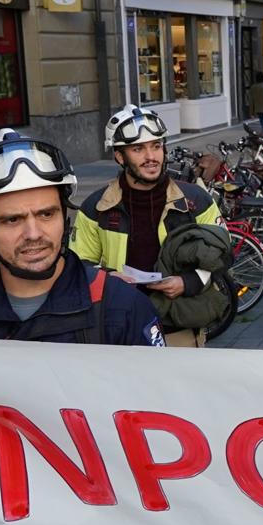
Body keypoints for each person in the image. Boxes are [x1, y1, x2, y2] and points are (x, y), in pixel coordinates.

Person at [0, 130, 164, 345]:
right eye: (12, 220)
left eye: (47, 214)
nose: (34, 234)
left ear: (64, 216)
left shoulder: (121, 307)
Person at [72, 104, 223, 347]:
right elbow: (79, 265)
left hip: (179, 327)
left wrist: (187, 282)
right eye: (138, 149)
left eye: (156, 146)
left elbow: (222, 256)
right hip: (120, 328)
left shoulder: (195, 200)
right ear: (120, 156)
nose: (151, 157)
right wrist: (111, 280)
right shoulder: (96, 207)